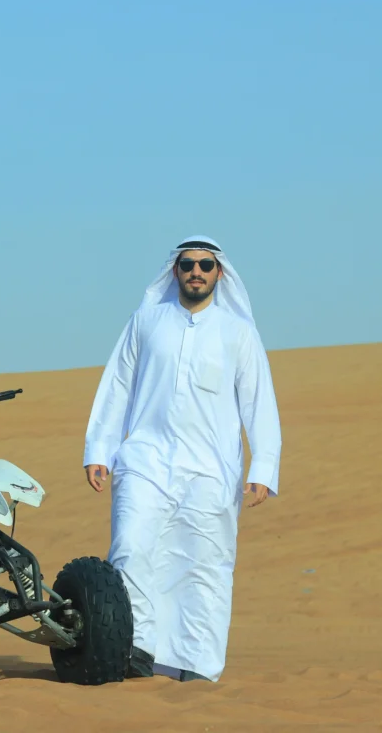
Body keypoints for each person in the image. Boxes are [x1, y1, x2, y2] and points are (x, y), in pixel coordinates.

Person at [82, 234, 282, 683]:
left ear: (219, 273)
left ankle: (195, 663)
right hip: (145, 459)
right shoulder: (146, 321)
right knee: (131, 547)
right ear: (175, 270)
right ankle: (134, 647)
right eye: (188, 264)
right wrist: (99, 449)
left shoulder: (238, 331)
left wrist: (264, 466)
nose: (196, 272)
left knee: (203, 565)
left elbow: (259, 402)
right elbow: (117, 386)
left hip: (211, 470)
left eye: (205, 265)